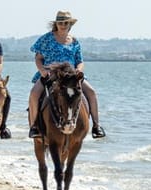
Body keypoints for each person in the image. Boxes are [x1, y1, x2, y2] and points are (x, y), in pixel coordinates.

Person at [27, 11, 105, 139]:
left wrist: (79, 70)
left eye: (66, 23)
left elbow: (80, 61)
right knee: (34, 94)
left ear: (70, 24)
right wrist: (42, 70)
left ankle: (96, 126)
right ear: (56, 24)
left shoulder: (74, 41)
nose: (63, 25)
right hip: (51, 74)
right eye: (60, 22)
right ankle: (34, 126)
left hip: (71, 76)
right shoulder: (46, 38)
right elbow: (38, 58)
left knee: (91, 92)